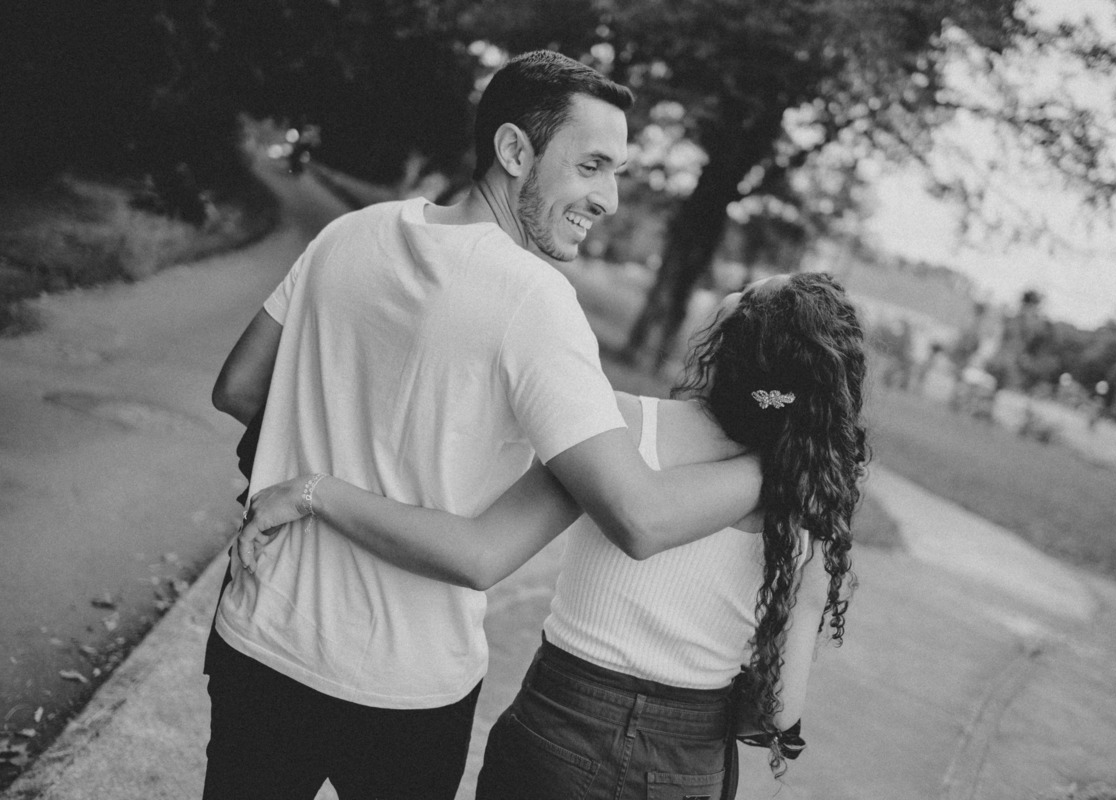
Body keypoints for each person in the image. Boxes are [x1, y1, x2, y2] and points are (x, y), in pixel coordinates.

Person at [202, 50, 760, 800]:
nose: (608, 198)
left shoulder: (351, 233)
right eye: (591, 166)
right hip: (401, 685)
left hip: (259, 637)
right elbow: (639, 517)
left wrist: (327, 450)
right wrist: (781, 461)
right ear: (514, 151)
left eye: (616, 173)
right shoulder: (536, 300)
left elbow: (238, 388)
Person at [239, 271, 868, 799]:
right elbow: (778, 711)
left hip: (562, 727)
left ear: (727, 338)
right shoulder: (809, 506)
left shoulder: (619, 428)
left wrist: (316, 491)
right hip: (689, 759)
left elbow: (481, 550)